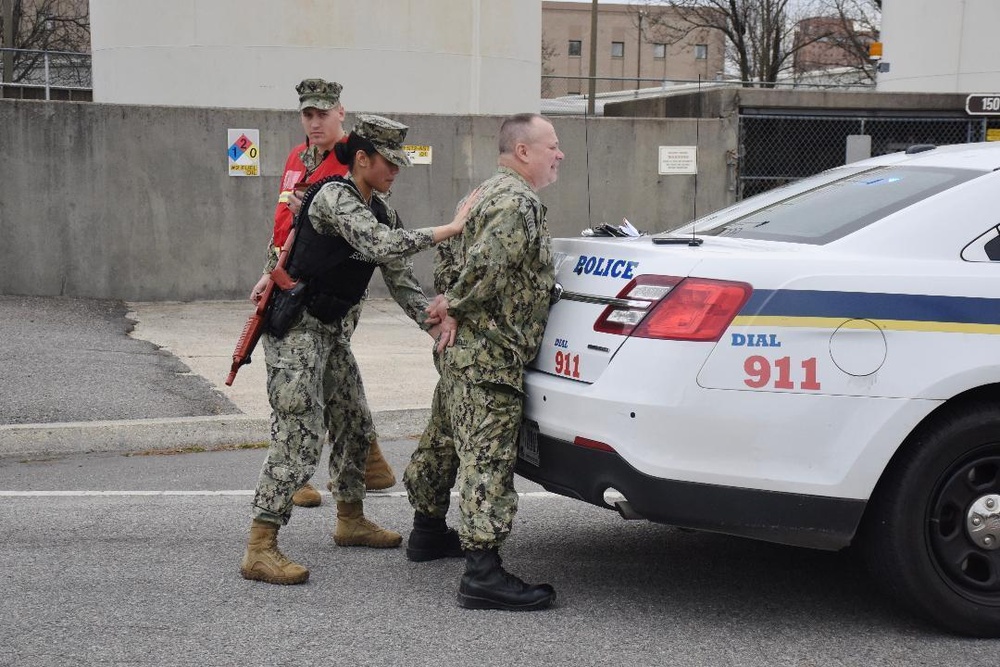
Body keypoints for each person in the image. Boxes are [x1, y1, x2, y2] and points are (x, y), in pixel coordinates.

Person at [240, 114, 473, 586]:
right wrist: (450, 229)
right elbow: (377, 244)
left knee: (354, 424)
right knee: (299, 435)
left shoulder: (382, 209)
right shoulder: (334, 197)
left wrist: (434, 324)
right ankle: (259, 546)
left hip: (329, 333)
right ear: (362, 158)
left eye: (399, 164)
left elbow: (402, 278)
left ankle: (350, 518)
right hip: (296, 330)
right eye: (389, 162)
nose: (396, 171)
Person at [405, 113, 564, 610]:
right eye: (552, 146)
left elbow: (449, 262)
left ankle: (427, 532)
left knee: (444, 438)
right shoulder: (518, 202)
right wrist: (453, 305)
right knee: (487, 457)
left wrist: (450, 304)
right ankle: (482, 572)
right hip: (490, 352)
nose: (559, 155)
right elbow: (487, 268)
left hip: (461, 349)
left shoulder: (478, 196)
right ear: (523, 152)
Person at [252, 78, 397, 510]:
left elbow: (367, 232)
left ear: (341, 113)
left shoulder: (355, 157)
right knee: (310, 383)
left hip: (332, 291)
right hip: (290, 280)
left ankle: (347, 461)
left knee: (326, 379)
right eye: (307, 114)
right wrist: (269, 271)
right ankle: (334, 465)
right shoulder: (299, 157)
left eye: (322, 113)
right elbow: (285, 225)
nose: (314, 122)